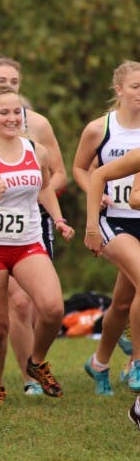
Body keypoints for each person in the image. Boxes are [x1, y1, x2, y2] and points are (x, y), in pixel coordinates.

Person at [0, 85, 73, 404]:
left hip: (27, 242)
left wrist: (58, 218)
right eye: (4, 112)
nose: (12, 118)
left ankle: (36, 361)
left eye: (17, 112)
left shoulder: (36, 150)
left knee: (53, 309)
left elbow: (43, 189)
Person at [79, 62, 140, 393]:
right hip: (112, 221)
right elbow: (82, 169)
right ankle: (137, 365)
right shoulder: (100, 129)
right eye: (136, 86)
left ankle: (98, 363)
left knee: (121, 302)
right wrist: (94, 208)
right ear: (119, 90)